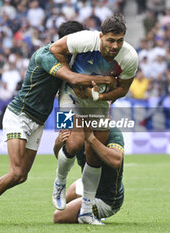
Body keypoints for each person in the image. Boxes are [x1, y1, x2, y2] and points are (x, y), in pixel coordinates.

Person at [0, 21, 116, 227]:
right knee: (16, 171)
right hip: (19, 115)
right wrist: (105, 80)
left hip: (37, 122)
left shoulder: (72, 59)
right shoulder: (45, 55)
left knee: (21, 177)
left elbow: (67, 94)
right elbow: (71, 78)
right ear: (70, 42)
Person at [50, 14, 138, 224]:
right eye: (110, 40)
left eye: (120, 40)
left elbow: (123, 90)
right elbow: (55, 49)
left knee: (93, 152)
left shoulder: (130, 57)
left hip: (97, 102)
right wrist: (72, 77)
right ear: (100, 36)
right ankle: (59, 182)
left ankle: (87, 211)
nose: (115, 45)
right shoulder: (83, 40)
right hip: (69, 94)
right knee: (74, 141)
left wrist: (98, 96)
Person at [52, 126, 125, 224]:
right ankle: (85, 210)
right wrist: (58, 143)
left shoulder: (112, 132)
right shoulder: (77, 131)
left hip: (106, 199)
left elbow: (116, 161)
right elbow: (61, 156)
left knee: (58, 216)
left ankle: (91, 212)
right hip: (87, 185)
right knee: (71, 191)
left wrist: (92, 140)